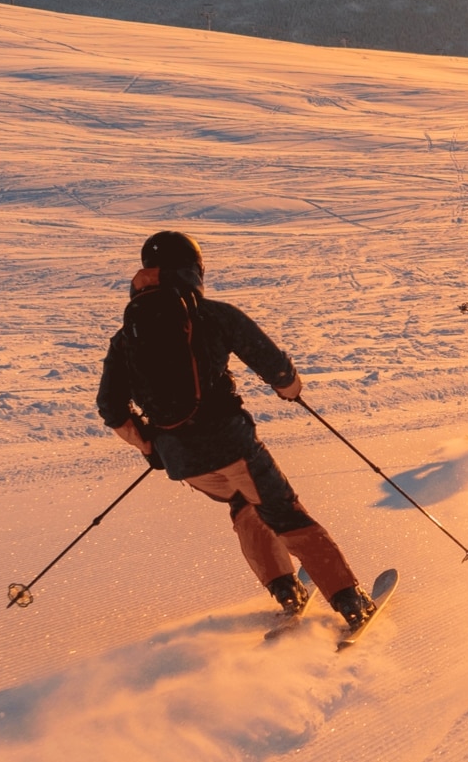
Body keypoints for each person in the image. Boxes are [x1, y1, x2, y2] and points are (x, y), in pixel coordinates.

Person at [97, 230, 380, 630]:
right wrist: (291, 390)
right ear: (193, 269)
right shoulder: (212, 315)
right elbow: (275, 366)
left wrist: (150, 447)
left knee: (244, 506)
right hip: (231, 446)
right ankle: (350, 600)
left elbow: (110, 408)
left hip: (183, 464)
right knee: (285, 515)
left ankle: (285, 589)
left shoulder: (127, 336)